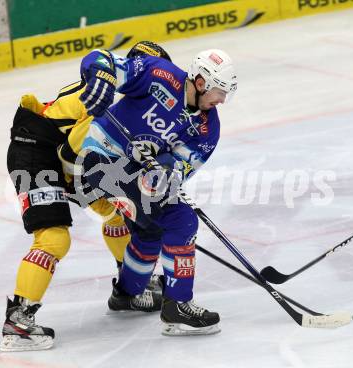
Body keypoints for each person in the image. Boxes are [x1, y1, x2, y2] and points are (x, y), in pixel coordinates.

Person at [0, 42, 172, 352]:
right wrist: (120, 180)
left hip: (66, 156)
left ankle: (130, 287)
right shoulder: (114, 102)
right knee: (53, 239)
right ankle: (18, 321)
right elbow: (72, 156)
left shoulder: (124, 95)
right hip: (37, 152)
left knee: (117, 214)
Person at [77, 47, 237, 335]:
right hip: (101, 158)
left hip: (135, 174)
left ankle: (127, 293)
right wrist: (100, 79)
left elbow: (181, 169)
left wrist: (166, 173)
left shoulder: (207, 128)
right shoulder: (159, 75)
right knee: (181, 220)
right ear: (200, 82)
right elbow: (101, 59)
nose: (222, 100)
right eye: (220, 91)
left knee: (150, 228)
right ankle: (178, 305)